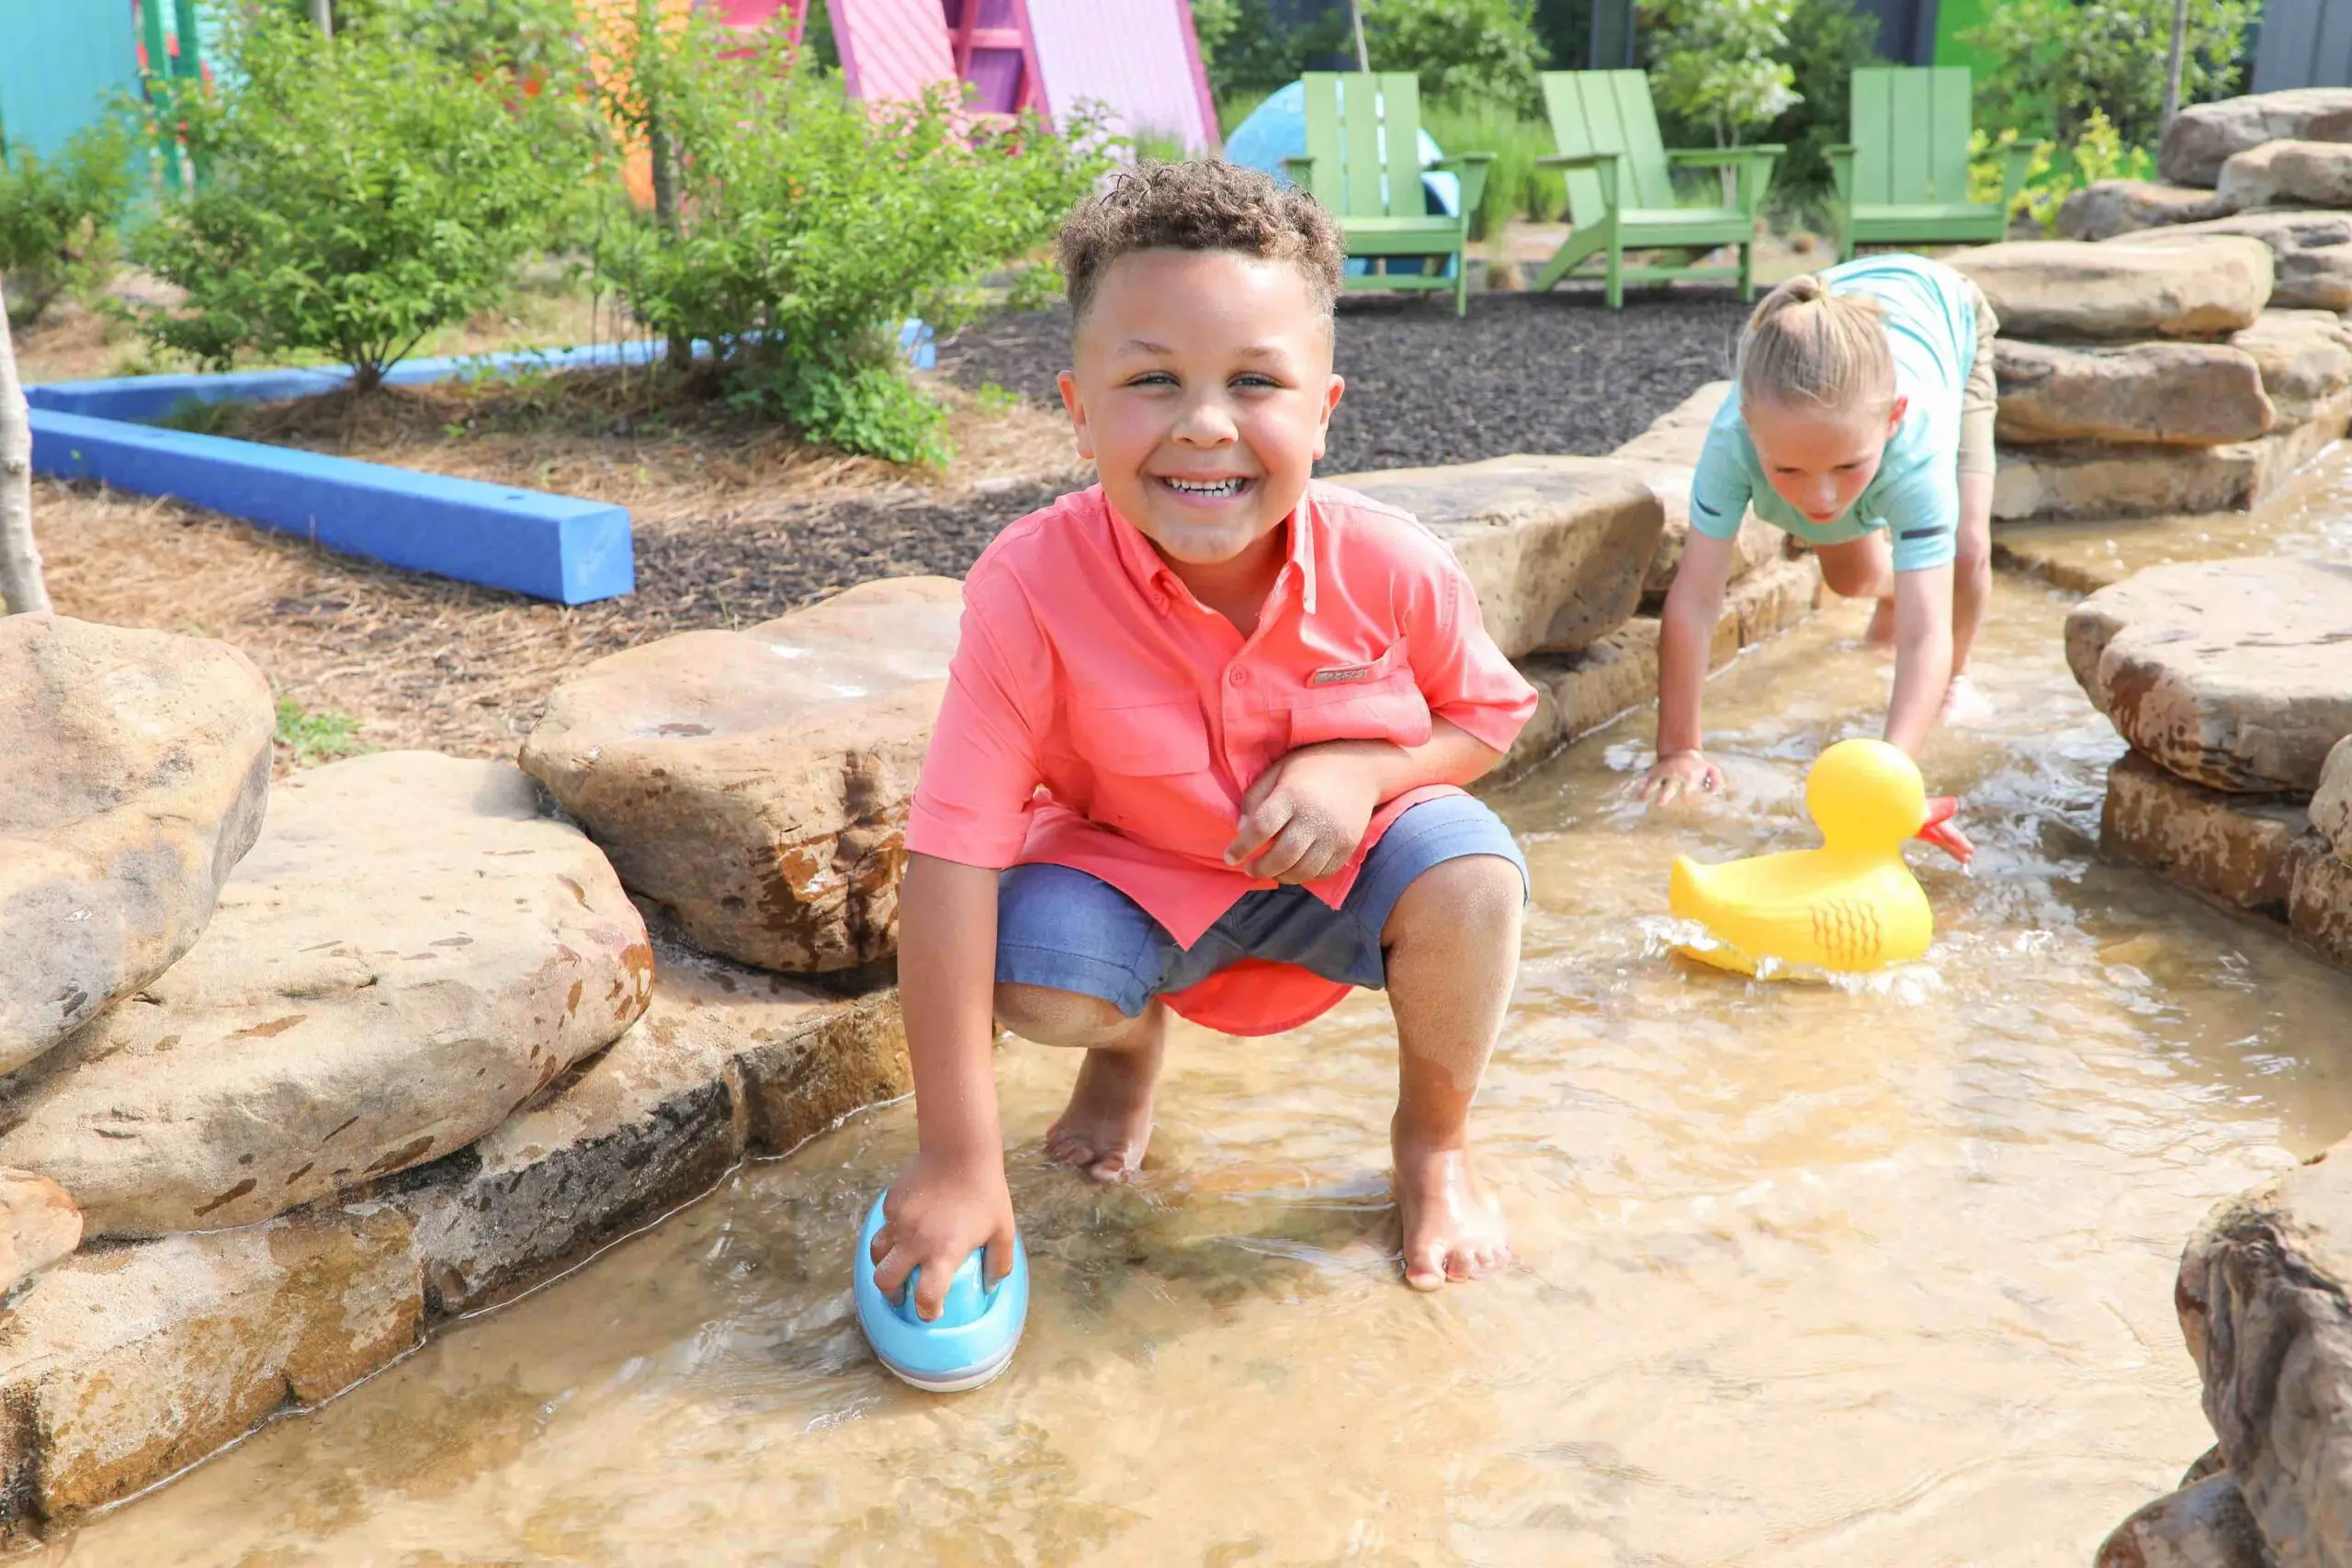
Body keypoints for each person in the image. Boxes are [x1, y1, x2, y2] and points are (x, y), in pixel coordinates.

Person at [866, 160, 1540, 1315]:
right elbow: (953, 856)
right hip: (1131, 878)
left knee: (1475, 874)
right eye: (1151, 380)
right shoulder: (1029, 587)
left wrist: (1364, 766)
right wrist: (956, 1160)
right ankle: (1125, 1050)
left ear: (1323, 411)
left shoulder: (1392, 565)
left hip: (1337, 871)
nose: (1205, 425)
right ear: (1078, 411)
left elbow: (1486, 716)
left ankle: (1434, 1145)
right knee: (1028, 968)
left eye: (1256, 381)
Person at [1642, 254, 2001, 805]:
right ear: (1750, 424)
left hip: (1947, 313)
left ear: (1893, 419)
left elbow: (1926, 634)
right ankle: (1898, 589)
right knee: (1851, 580)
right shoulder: (1731, 442)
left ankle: (1957, 678)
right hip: (1830, 342)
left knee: (1965, 550)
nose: (1821, 498)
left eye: (1847, 467)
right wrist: (1677, 750)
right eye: (1788, 470)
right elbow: (1694, 598)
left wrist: (1888, 777)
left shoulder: (1918, 450)